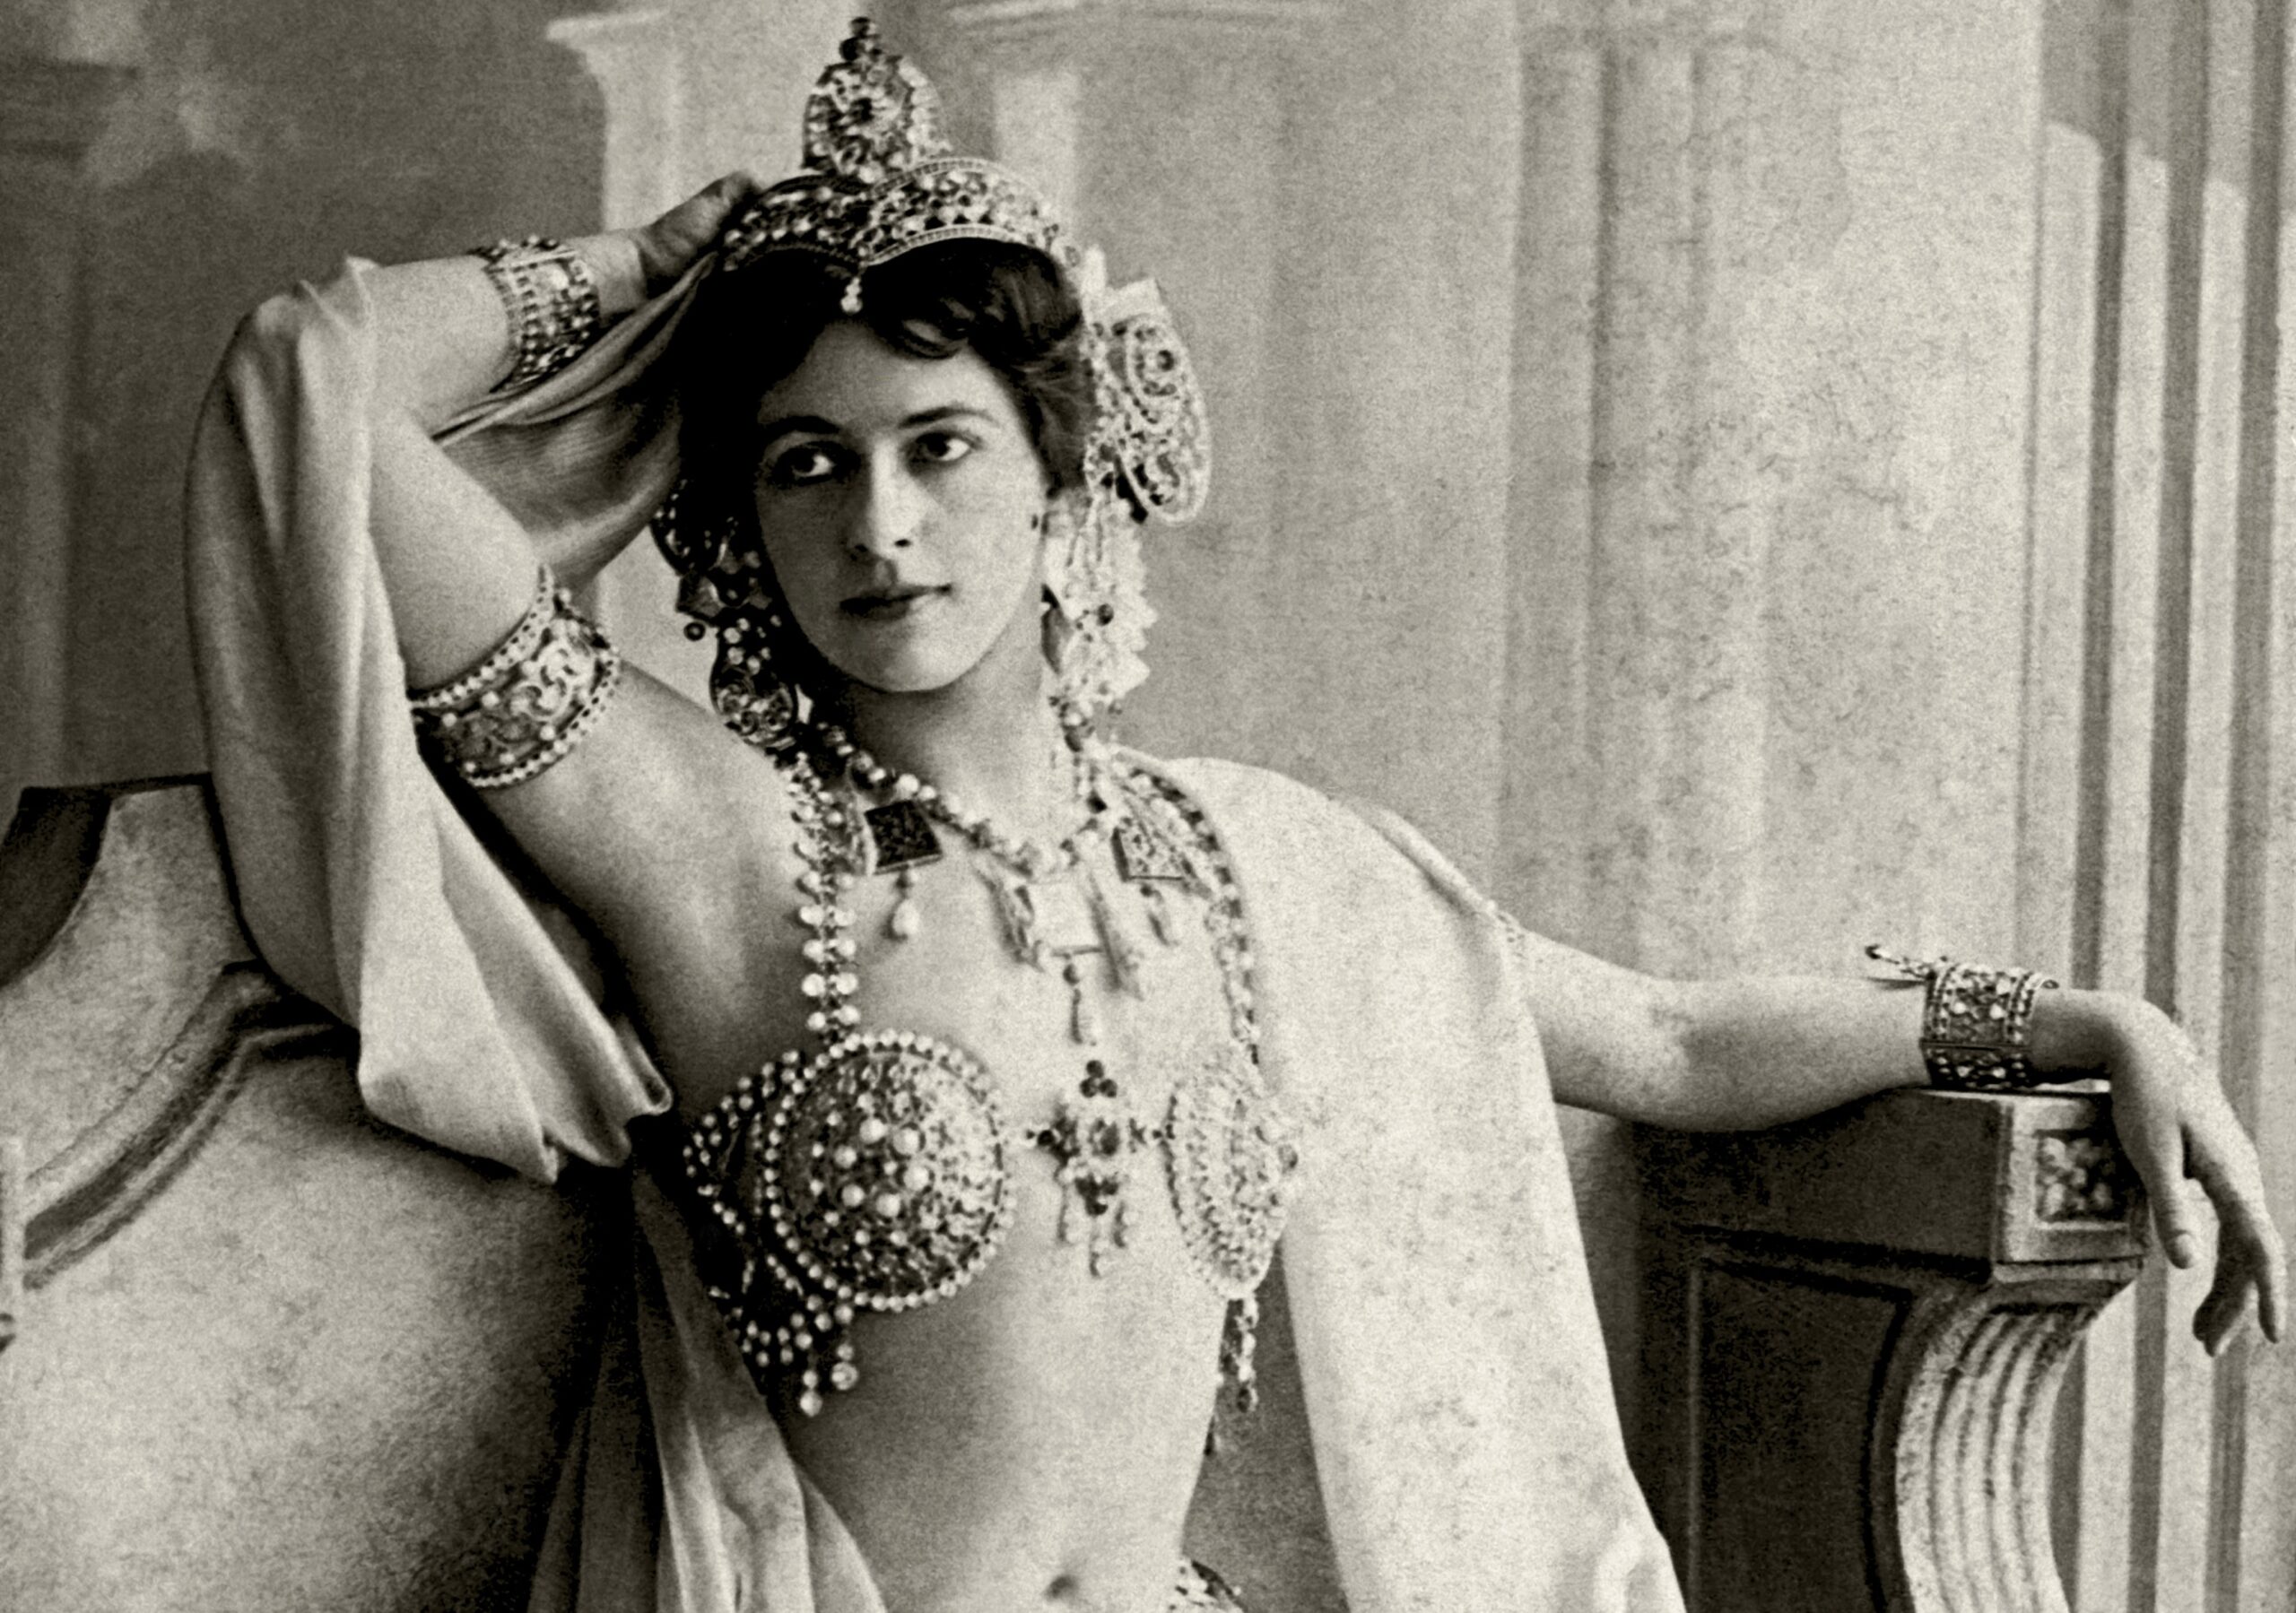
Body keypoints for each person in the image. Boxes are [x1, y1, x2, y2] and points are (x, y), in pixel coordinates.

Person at [186, 20, 2284, 1613]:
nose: (880, 525)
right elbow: (312, 387)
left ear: (1059, 478)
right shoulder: (722, 848)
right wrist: (646, 275)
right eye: (805, 465)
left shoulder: (1251, 874)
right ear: (738, 517)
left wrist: (2076, 1021)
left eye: (937, 445)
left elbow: (1666, 1041)